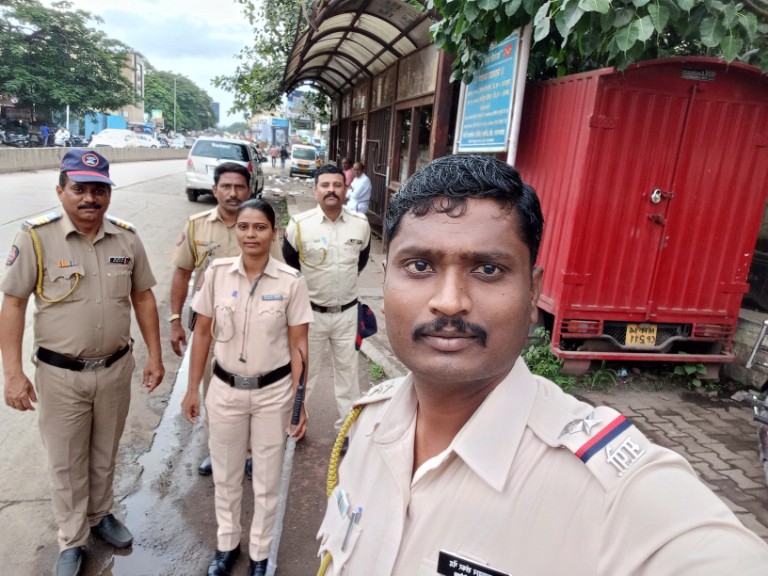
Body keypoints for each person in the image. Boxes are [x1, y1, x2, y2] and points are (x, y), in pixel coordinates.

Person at [315, 155, 768, 575]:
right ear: (385, 279)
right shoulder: (366, 424)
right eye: (419, 266)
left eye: (488, 270)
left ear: (533, 293)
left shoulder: (614, 495)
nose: (449, 302)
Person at [0, 149, 165, 576]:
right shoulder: (36, 237)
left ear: (108, 193)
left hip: (114, 369)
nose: (89, 198)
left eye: (98, 189)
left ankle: (100, 514)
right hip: (60, 374)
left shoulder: (126, 238)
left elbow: (143, 296)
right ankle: (72, 539)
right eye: (79, 189)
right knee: (66, 460)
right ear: (61, 191)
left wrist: (155, 354)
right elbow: (13, 304)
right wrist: (13, 374)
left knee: (105, 450)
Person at [182, 199, 312, 576]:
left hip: (274, 393)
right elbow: (202, 334)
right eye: (243, 227)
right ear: (235, 230)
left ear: (274, 233)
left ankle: (260, 552)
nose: (250, 234)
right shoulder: (217, 274)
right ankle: (227, 545)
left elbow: (299, 345)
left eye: (259, 227)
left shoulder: (291, 281)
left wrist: (299, 402)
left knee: (267, 479)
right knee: (225, 474)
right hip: (225, 391)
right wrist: (193, 389)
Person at [170, 162, 253, 476]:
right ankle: (217, 451)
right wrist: (175, 319)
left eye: (239, 187)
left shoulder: (259, 224)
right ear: (215, 189)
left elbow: (278, 273)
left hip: (251, 324)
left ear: (249, 190)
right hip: (210, 325)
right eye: (226, 186)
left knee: (249, 389)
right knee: (213, 390)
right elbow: (182, 274)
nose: (233, 193)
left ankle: (249, 453)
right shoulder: (197, 225)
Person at [282, 164, 371, 441]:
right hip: (309, 316)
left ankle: (347, 432)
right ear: (315, 190)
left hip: (347, 315)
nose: (331, 190)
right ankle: (296, 424)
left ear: (346, 189)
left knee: (348, 376)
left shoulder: (361, 224)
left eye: (337, 185)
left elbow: (361, 261)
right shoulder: (299, 225)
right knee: (303, 374)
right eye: (325, 185)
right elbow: (291, 262)